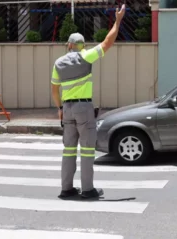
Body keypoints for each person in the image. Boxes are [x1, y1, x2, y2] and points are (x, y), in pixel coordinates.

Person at [51, 5, 126, 199]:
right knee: (86, 150)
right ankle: (87, 190)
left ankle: (66, 189)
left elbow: (54, 88)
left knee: (68, 150)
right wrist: (117, 21)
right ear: (82, 46)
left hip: (66, 108)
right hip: (83, 108)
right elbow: (107, 42)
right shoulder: (86, 56)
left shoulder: (58, 63)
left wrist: (60, 108)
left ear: (68, 45)